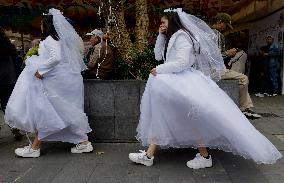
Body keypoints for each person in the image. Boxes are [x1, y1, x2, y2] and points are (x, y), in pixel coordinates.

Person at [128, 8, 282, 169]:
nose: (161, 24)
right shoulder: (172, 37)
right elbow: (158, 56)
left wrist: (159, 70)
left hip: (181, 82)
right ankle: (152, 154)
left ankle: (200, 155)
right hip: (172, 82)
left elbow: (183, 62)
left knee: (187, 118)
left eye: (163, 21)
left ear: (172, 21)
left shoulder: (182, 36)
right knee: (166, 115)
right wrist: (160, 36)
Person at [4, 8, 93, 158]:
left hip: (51, 82)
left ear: (47, 25)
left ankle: (35, 147)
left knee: (45, 111)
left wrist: (41, 71)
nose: (40, 26)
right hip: (59, 81)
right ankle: (84, 142)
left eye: (42, 23)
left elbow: (56, 57)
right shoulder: (57, 39)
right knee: (61, 112)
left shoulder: (51, 39)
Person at [211, 13, 261, 119]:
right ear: (220, 22)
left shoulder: (206, 32)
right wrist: (227, 54)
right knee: (243, 78)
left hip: (210, 68)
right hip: (214, 70)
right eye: (225, 25)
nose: (225, 28)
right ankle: (243, 108)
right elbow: (212, 56)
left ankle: (245, 107)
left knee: (241, 78)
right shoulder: (216, 34)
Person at [0, 28, 23, 140]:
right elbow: (16, 62)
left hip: (6, 79)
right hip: (9, 80)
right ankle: (14, 128)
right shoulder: (8, 45)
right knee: (7, 106)